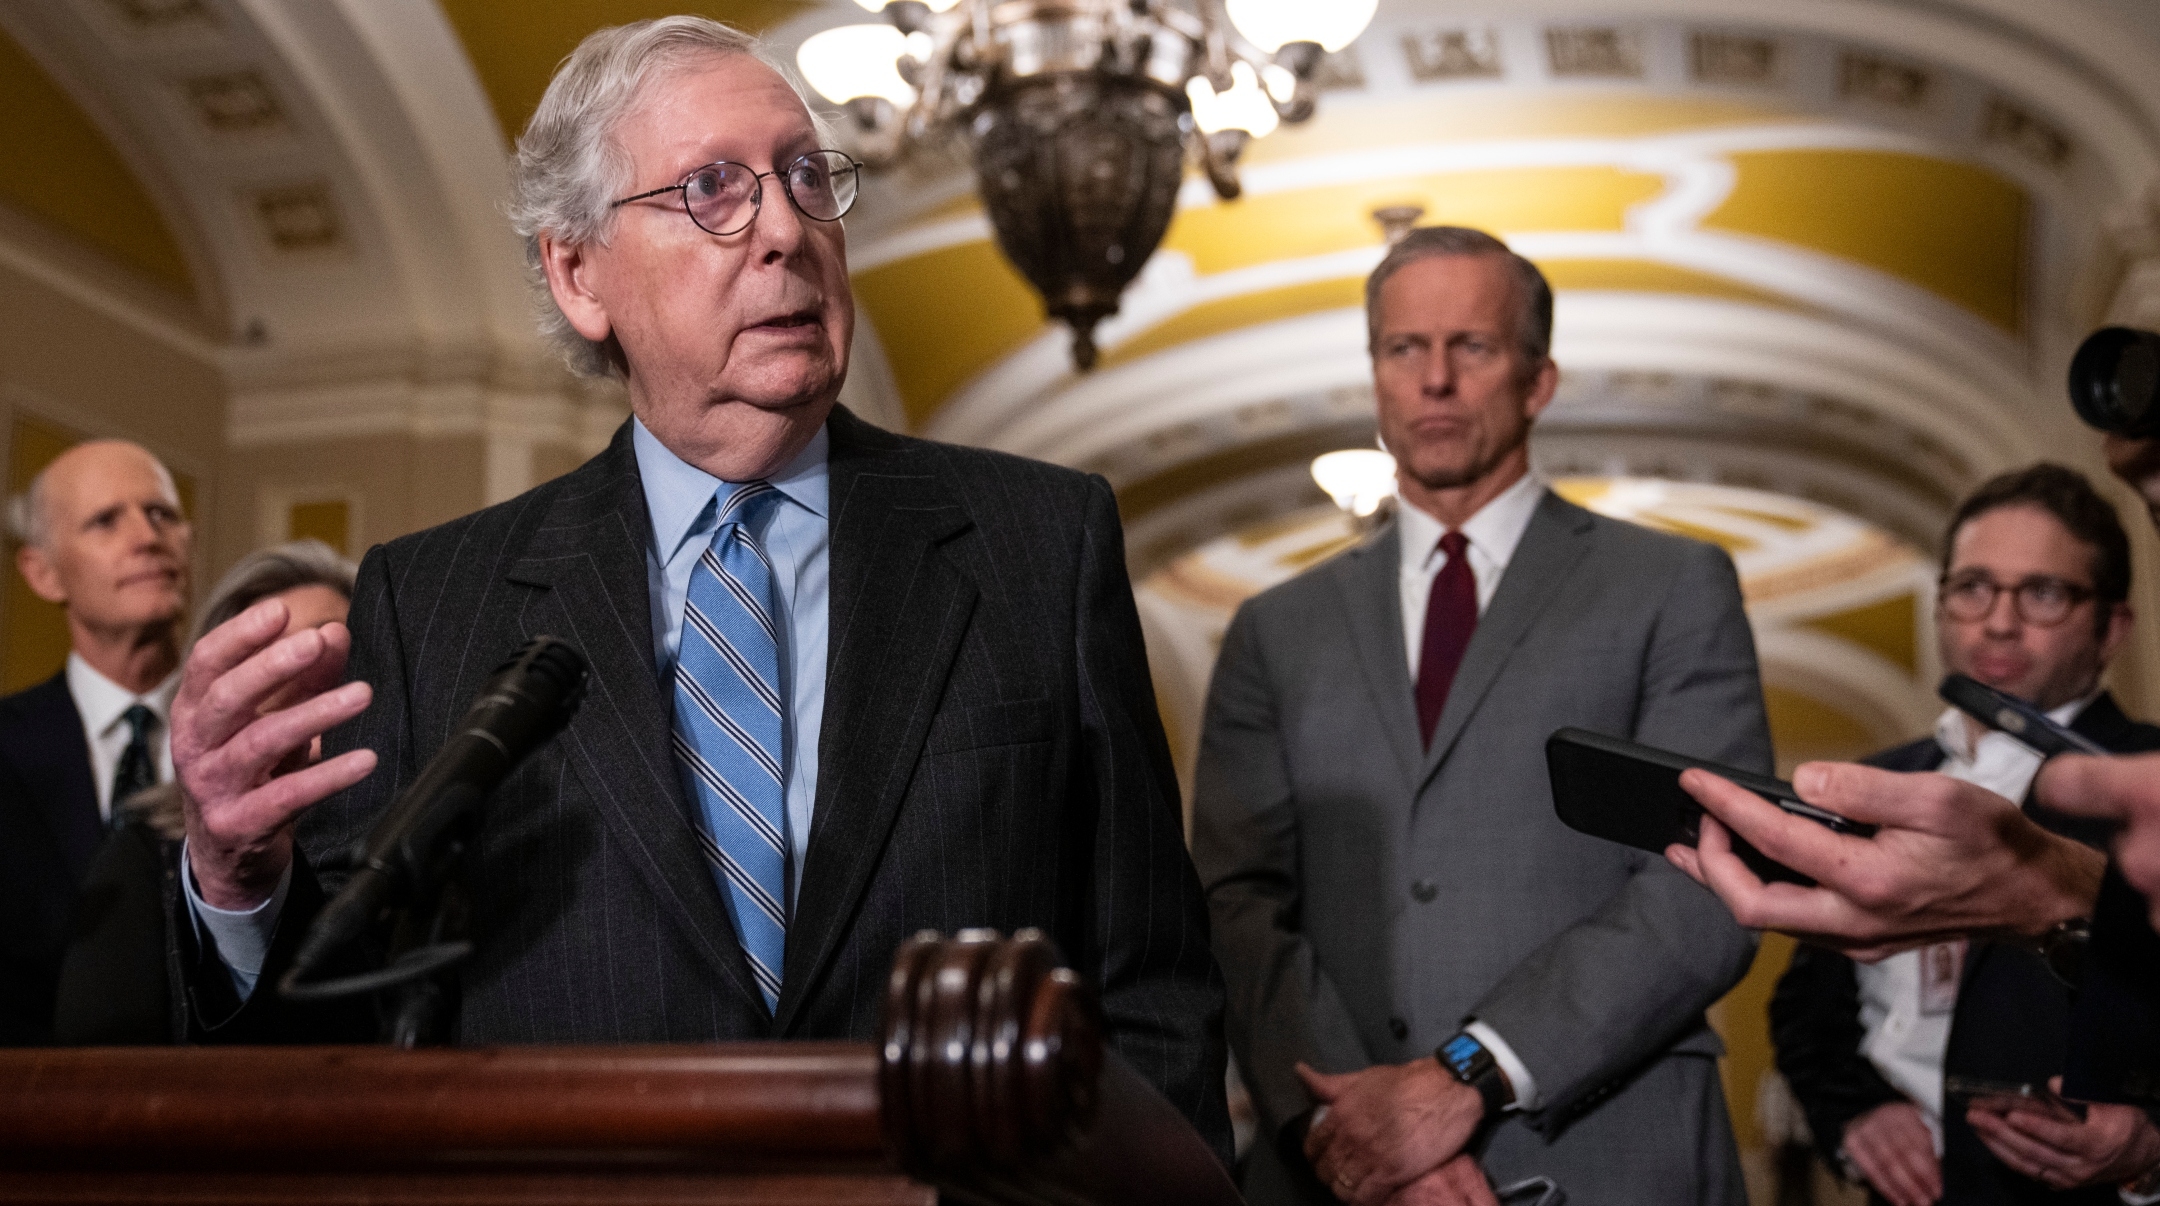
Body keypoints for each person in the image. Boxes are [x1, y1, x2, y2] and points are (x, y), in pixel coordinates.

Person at [164, 16, 1229, 1157]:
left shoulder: (1038, 544)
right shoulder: (431, 606)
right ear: (578, 274)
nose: (784, 229)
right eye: (713, 189)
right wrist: (233, 883)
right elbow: (339, 1034)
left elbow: (1151, 1000)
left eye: (805, 176)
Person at [1192, 225, 1768, 1206]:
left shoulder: (1672, 587)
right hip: (1336, 1164)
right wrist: (1353, 1123)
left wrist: (1472, 1072)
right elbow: (1235, 902)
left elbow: (1711, 878)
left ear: (1538, 380)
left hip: (1611, 1153)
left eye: (1474, 347)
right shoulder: (1271, 629)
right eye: (1403, 348)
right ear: (1375, 374)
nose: (1435, 380)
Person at [1767, 465, 2160, 1206]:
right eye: (1973, 587)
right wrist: (1855, 1112)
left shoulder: (2148, 789)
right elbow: (1806, 1012)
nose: (2000, 621)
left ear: (2112, 628)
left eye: (2043, 593)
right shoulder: (1873, 783)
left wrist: (2152, 1148)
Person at [51, 540, 354, 1045]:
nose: (308, 669)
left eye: (330, 643)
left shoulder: (428, 828)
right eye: (272, 656)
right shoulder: (146, 855)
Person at [0, 439, 190, 1045]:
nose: (147, 536)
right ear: (42, 573)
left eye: (162, 514)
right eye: (106, 520)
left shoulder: (255, 734)